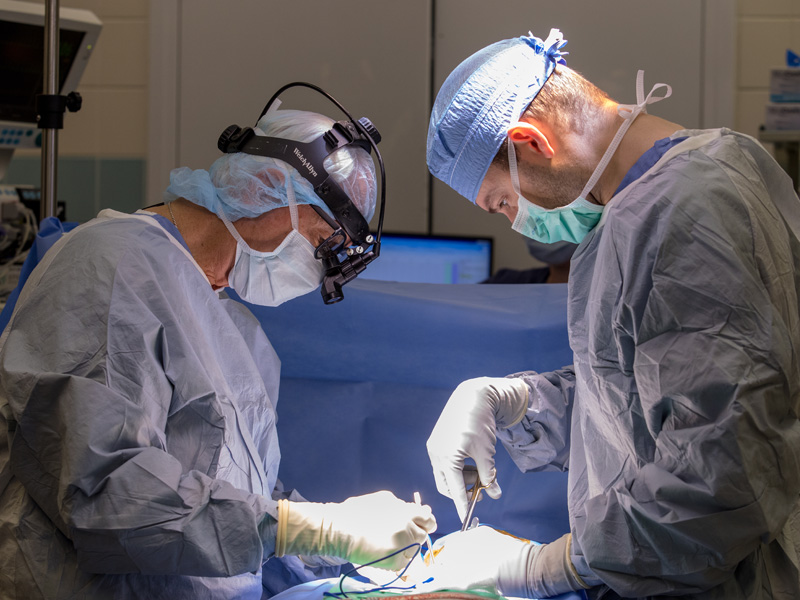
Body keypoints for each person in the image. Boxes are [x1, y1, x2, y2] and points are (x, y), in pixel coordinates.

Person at [424, 28, 800, 600]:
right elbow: (648, 402)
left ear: (531, 142)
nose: (513, 220)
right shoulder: (647, 207)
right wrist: (517, 402)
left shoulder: (685, 209)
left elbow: (726, 472)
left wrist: (539, 567)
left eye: (502, 202)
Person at [0, 106, 436, 599]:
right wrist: (310, 527)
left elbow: (238, 508)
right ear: (265, 187)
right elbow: (107, 495)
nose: (316, 269)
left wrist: (348, 551)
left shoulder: (235, 330)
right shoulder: (110, 269)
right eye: (320, 240)